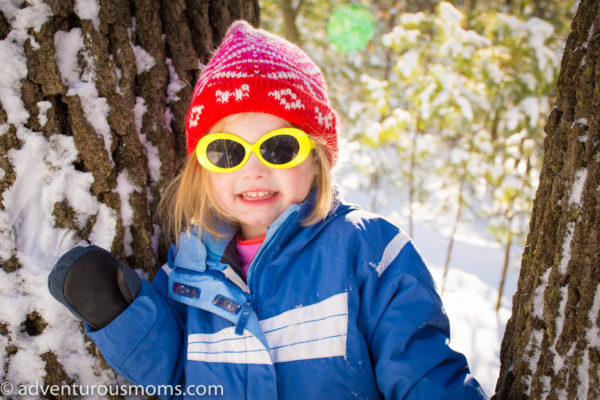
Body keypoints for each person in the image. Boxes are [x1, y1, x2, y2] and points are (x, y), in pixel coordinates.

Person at [48, 20, 488, 400]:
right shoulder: (185, 273)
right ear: (203, 169)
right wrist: (122, 316)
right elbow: (180, 376)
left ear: (317, 159)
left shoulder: (366, 248)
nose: (254, 170)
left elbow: (421, 373)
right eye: (227, 151)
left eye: (280, 148)